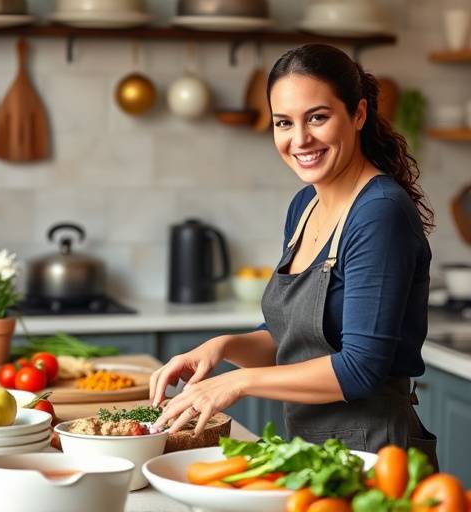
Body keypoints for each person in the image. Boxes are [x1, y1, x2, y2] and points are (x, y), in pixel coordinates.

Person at [150, 44, 437, 467]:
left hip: (376, 457)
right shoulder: (305, 205)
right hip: (314, 456)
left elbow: (361, 369)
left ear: (358, 114)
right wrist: (222, 346)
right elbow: (295, 341)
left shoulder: (379, 213)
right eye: (284, 122)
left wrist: (240, 383)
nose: (299, 139)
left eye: (317, 117)